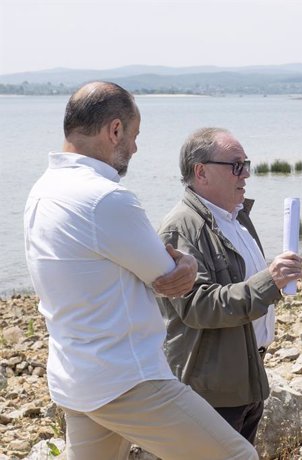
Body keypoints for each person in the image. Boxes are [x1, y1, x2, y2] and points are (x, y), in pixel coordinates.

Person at [24, 82, 259, 459]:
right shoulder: (106, 198)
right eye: (133, 136)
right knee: (238, 455)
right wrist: (189, 261)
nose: (135, 147)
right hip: (127, 380)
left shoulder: (42, 191)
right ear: (114, 130)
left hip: (75, 377)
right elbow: (172, 278)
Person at [156, 127, 302, 444]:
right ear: (201, 172)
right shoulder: (182, 227)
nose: (247, 173)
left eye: (246, 164)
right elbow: (200, 306)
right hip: (211, 389)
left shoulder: (236, 216)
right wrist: (272, 280)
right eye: (236, 165)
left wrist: (276, 279)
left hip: (247, 375)